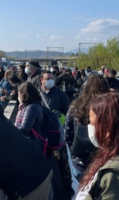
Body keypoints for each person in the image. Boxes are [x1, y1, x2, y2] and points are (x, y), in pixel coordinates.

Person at [65, 74, 109, 181]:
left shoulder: (75, 108)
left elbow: (68, 136)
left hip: (80, 161)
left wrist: (74, 153)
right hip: (104, 159)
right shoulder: (109, 108)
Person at [39, 71, 74, 199]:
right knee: (43, 162)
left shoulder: (60, 94)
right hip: (41, 135)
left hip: (57, 135)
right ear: (41, 80)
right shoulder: (37, 94)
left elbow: (69, 111)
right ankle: (45, 187)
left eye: (52, 78)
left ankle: (67, 186)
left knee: (62, 161)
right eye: (47, 78)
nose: (50, 81)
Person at [15, 82, 44, 150]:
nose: (18, 97)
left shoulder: (32, 108)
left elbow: (25, 129)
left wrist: (9, 130)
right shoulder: (31, 105)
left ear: (24, 94)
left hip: (32, 145)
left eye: (19, 94)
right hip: (32, 143)